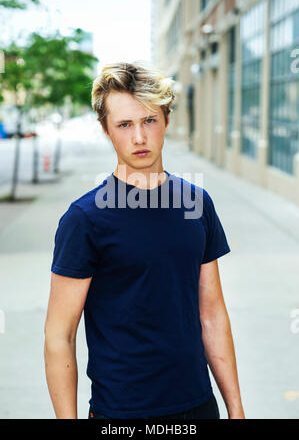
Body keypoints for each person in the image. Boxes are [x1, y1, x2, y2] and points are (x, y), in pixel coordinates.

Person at [44, 61, 245, 420]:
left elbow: (212, 314)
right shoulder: (85, 219)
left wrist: (236, 409)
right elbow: (60, 336)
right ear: (106, 130)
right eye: (124, 124)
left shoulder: (196, 204)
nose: (139, 137)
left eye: (149, 120)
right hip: (120, 414)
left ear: (166, 120)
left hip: (198, 407)